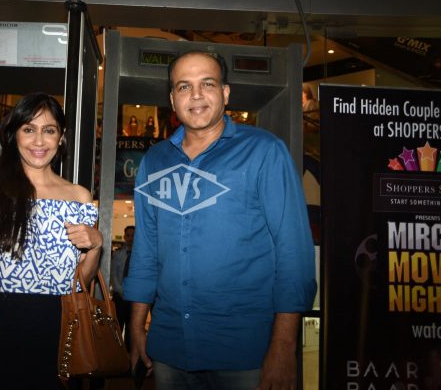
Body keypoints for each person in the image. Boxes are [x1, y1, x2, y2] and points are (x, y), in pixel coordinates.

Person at [123, 51, 317, 390]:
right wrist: (136, 326)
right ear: (172, 99)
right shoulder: (155, 161)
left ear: (225, 93)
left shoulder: (264, 152)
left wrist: (285, 346)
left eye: (207, 84)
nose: (196, 95)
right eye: (184, 86)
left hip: (245, 352)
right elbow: (145, 251)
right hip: (169, 348)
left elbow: (293, 253)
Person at [0, 92, 103, 390]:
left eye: (49, 130)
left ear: (61, 137)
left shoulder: (80, 198)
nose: (39, 141)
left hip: (59, 332)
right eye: (29, 129)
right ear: (14, 135)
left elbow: (80, 282)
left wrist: (96, 245)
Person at [110, 225, 135, 349]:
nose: (130, 238)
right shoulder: (117, 254)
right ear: (125, 237)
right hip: (119, 296)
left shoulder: (140, 255)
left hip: (134, 297)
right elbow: (113, 274)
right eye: (128, 235)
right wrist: (120, 291)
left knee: (132, 327)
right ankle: (116, 351)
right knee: (117, 325)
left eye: (133, 235)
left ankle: (129, 353)